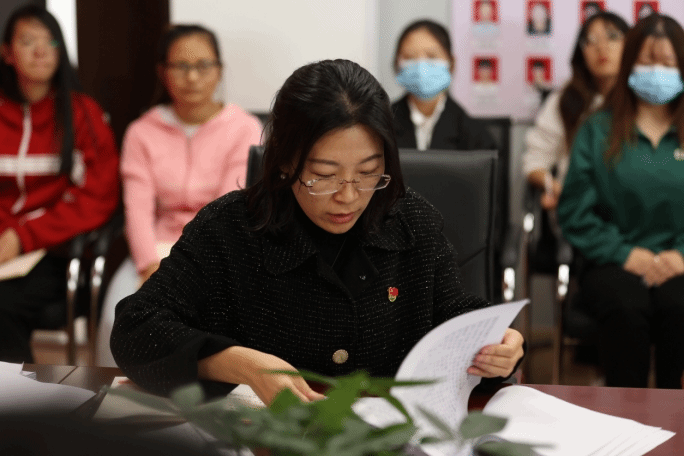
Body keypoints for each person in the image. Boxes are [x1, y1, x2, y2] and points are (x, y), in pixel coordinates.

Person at [111, 59, 524, 404]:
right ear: (285, 161)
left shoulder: (411, 221)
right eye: (325, 176)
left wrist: (498, 346)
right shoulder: (230, 229)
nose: (348, 196)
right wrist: (242, 364)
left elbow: (452, 315)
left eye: (368, 172)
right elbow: (137, 329)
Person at [95, 24, 262, 367]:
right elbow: (137, 208)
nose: (192, 77)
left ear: (219, 70)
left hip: (218, 251)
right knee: (117, 319)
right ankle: (115, 395)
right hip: (155, 250)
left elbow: (226, 209)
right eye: (181, 66)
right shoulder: (141, 131)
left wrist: (193, 267)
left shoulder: (244, 128)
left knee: (212, 327)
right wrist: (149, 265)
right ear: (163, 72)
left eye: (203, 65)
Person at [557, 14, 684, 389]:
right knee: (627, 307)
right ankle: (626, 413)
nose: (657, 72)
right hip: (612, 261)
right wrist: (624, 253)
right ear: (628, 65)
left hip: (680, 262)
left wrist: (680, 255)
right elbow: (574, 211)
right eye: (646, 61)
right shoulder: (597, 129)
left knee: (679, 305)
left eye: (668, 63)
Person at [0, 5, 119, 362]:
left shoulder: (83, 113)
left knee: (2, 307)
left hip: (54, 252)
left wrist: (22, 236)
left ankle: (21, 395)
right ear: (7, 53)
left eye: (50, 41)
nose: (41, 51)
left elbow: (97, 197)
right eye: (28, 41)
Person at [523, 11, 628, 210]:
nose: (602, 47)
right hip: (578, 207)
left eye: (612, 36)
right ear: (581, 52)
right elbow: (535, 161)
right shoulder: (565, 100)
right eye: (591, 40)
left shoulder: (642, 99)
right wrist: (558, 189)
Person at [391, 20, 497, 151]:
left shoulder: (475, 135)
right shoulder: (380, 125)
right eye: (410, 57)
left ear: (451, 63)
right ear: (397, 64)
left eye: (432, 56)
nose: (421, 67)